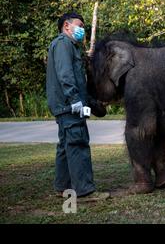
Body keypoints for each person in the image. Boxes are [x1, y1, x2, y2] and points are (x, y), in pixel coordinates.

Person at [46, 12, 109, 201]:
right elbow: (65, 75)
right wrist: (75, 101)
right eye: (79, 25)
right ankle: (84, 191)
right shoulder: (63, 44)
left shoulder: (68, 46)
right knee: (78, 144)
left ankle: (62, 187)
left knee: (65, 147)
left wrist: (89, 101)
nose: (82, 29)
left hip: (64, 105)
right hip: (69, 105)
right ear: (67, 26)